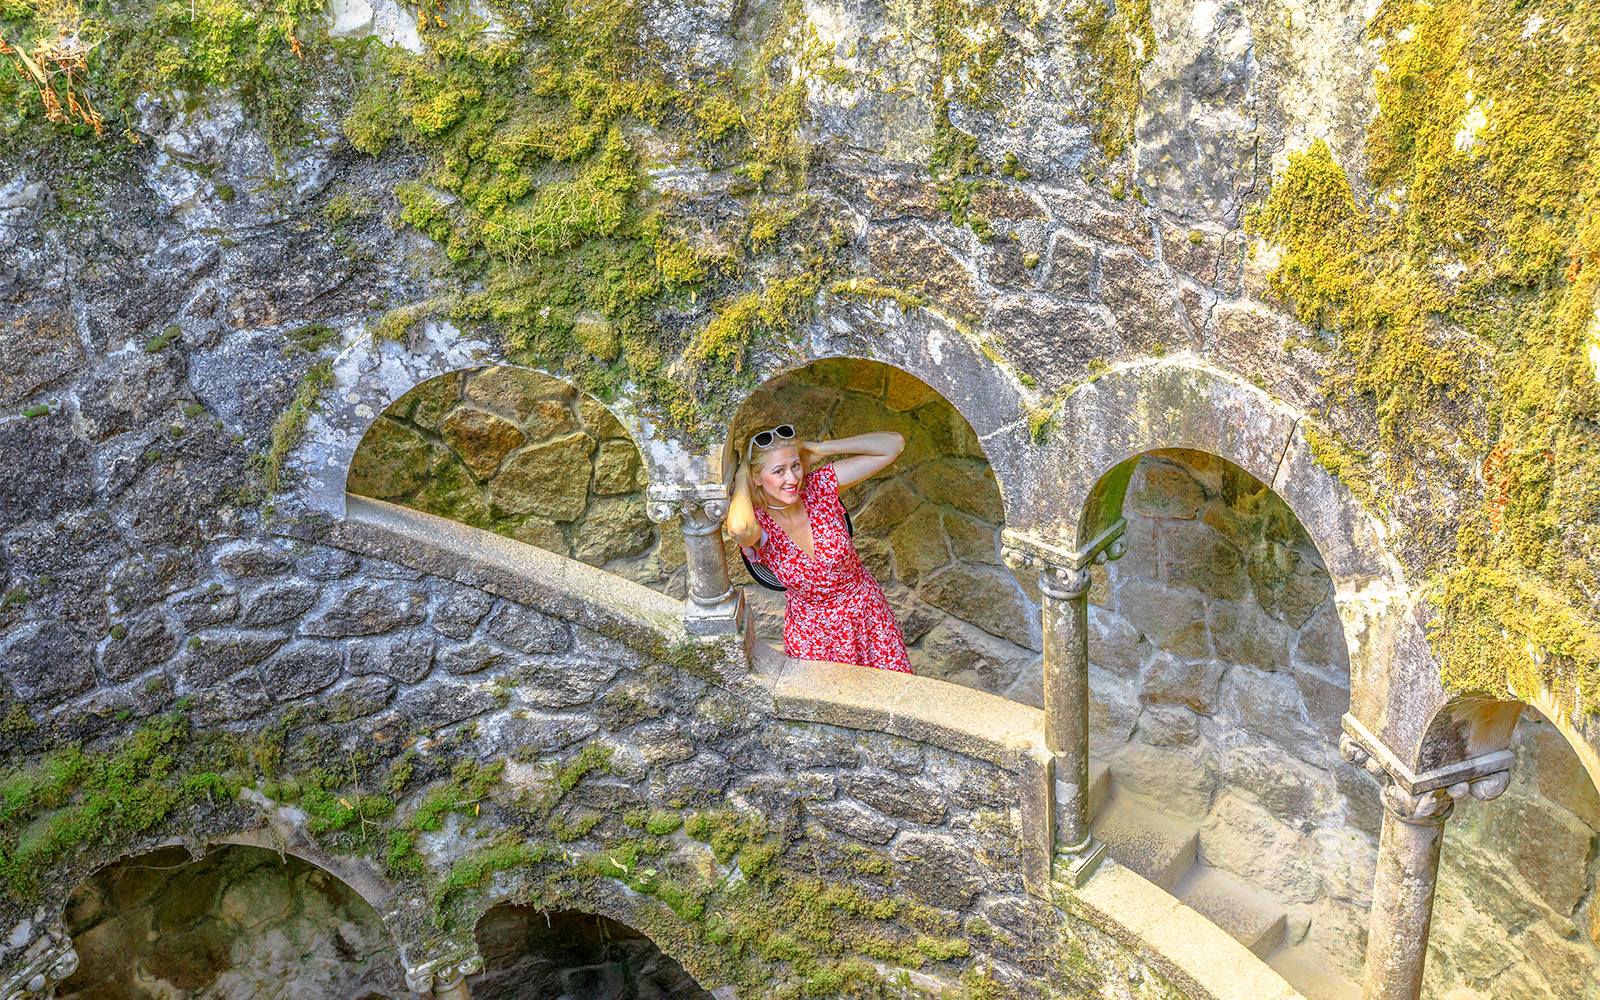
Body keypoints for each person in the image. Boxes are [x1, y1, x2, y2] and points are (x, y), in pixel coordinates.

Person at [725, 423, 912, 674]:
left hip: (869, 620)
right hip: (813, 637)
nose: (792, 479)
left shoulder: (819, 488)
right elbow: (740, 529)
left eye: (795, 466)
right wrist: (740, 478)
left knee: (895, 702)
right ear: (757, 477)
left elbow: (893, 444)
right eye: (779, 471)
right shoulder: (758, 522)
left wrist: (823, 449)